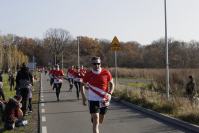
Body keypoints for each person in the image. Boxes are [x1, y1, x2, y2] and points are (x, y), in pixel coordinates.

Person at [80, 56, 114, 133]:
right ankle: (94, 117)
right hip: (93, 100)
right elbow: (82, 85)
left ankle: (94, 117)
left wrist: (110, 93)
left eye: (98, 63)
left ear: (100, 63)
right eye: (94, 64)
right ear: (92, 64)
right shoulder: (88, 74)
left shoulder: (106, 72)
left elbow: (112, 84)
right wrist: (83, 97)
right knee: (96, 120)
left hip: (103, 100)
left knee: (101, 120)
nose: (97, 65)